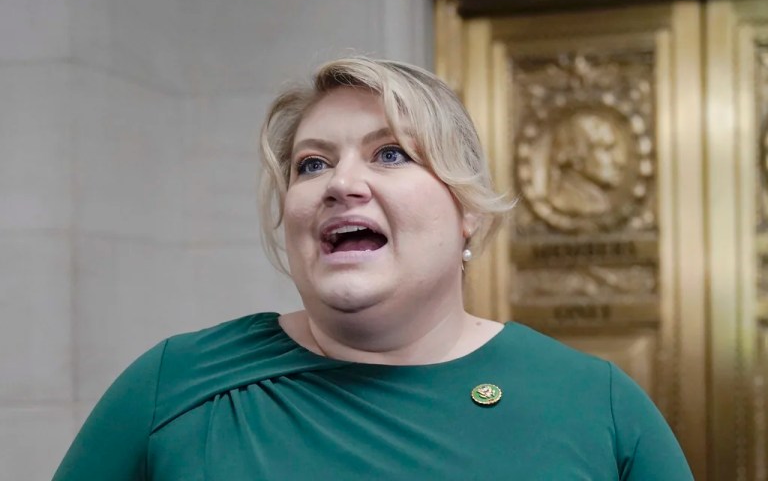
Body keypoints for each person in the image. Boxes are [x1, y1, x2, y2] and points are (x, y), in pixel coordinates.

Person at [53, 57, 693, 480]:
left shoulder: (593, 404)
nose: (341, 183)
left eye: (390, 154)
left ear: (465, 207)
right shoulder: (177, 384)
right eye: (312, 163)